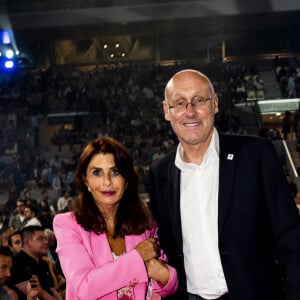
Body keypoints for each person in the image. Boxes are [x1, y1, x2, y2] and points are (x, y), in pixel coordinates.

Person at [149, 69, 300, 300]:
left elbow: (291, 238)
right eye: (179, 103)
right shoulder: (160, 173)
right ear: (166, 111)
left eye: (199, 100)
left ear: (215, 104)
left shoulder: (256, 155)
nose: (190, 112)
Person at [53, 137, 178, 299]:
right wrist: (138, 258)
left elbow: (167, 278)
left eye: (115, 172)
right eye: (97, 172)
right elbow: (84, 288)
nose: (107, 181)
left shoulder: (143, 221)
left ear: (126, 180)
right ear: (85, 181)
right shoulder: (67, 224)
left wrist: (165, 277)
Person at [9, 225, 62, 300]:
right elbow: (36, 295)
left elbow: (53, 290)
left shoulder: (43, 262)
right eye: (40, 239)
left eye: (45, 238)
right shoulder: (16, 263)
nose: (46, 242)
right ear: (27, 242)